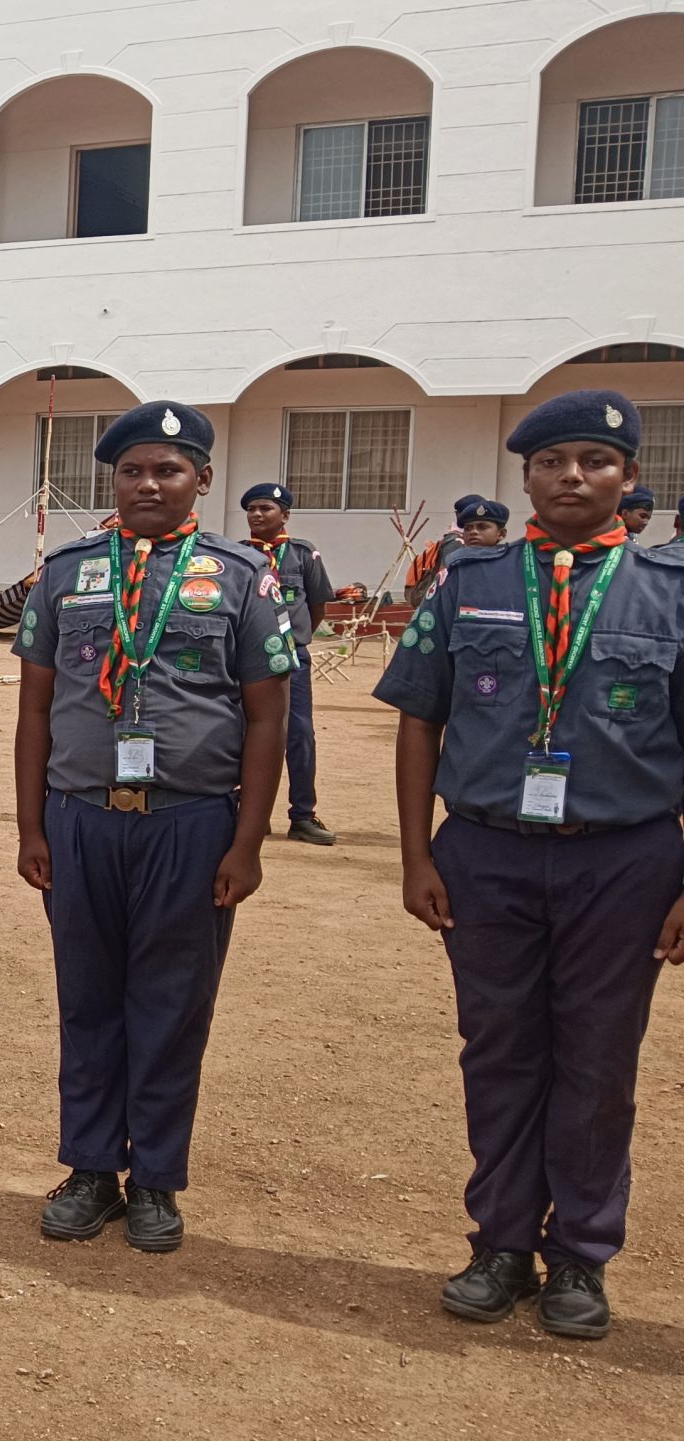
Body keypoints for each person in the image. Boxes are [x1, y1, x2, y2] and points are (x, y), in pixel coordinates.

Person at [376, 389, 684, 1342]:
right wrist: (416, 854)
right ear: (526, 477)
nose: (572, 477)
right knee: (500, 1051)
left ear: (631, 476)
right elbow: (420, 718)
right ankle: (501, 1243)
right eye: (551, 462)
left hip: (623, 860)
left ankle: (580, 1255)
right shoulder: (468, 580)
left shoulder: (670, 591)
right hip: (487, 853)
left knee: (598, 1060)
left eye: (596, 460)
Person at [10, 400, 289, 1253]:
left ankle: (157, 1178)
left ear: (202, 478)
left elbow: (268, 717)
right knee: (87, 998)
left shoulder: (242, 577)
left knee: (172, 1005)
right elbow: (34, 709)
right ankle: (91, 1167)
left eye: (167, 470)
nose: (147, 484)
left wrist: (248, 841)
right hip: (83, 818)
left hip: (189, 823)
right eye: (131, 470)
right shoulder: (67, 572)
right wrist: (31, 828)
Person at [239, 483, 337, 846]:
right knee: (242, 733)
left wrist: (295, 639)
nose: (257, 514)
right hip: (246, 660)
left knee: (299, 735)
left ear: (285, 515)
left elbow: (317, 607)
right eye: (251, 509)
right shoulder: (238, 556)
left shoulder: (303, 555)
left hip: (292, 660)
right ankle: (250, 813)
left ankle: (303, 815)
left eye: (265, 508)